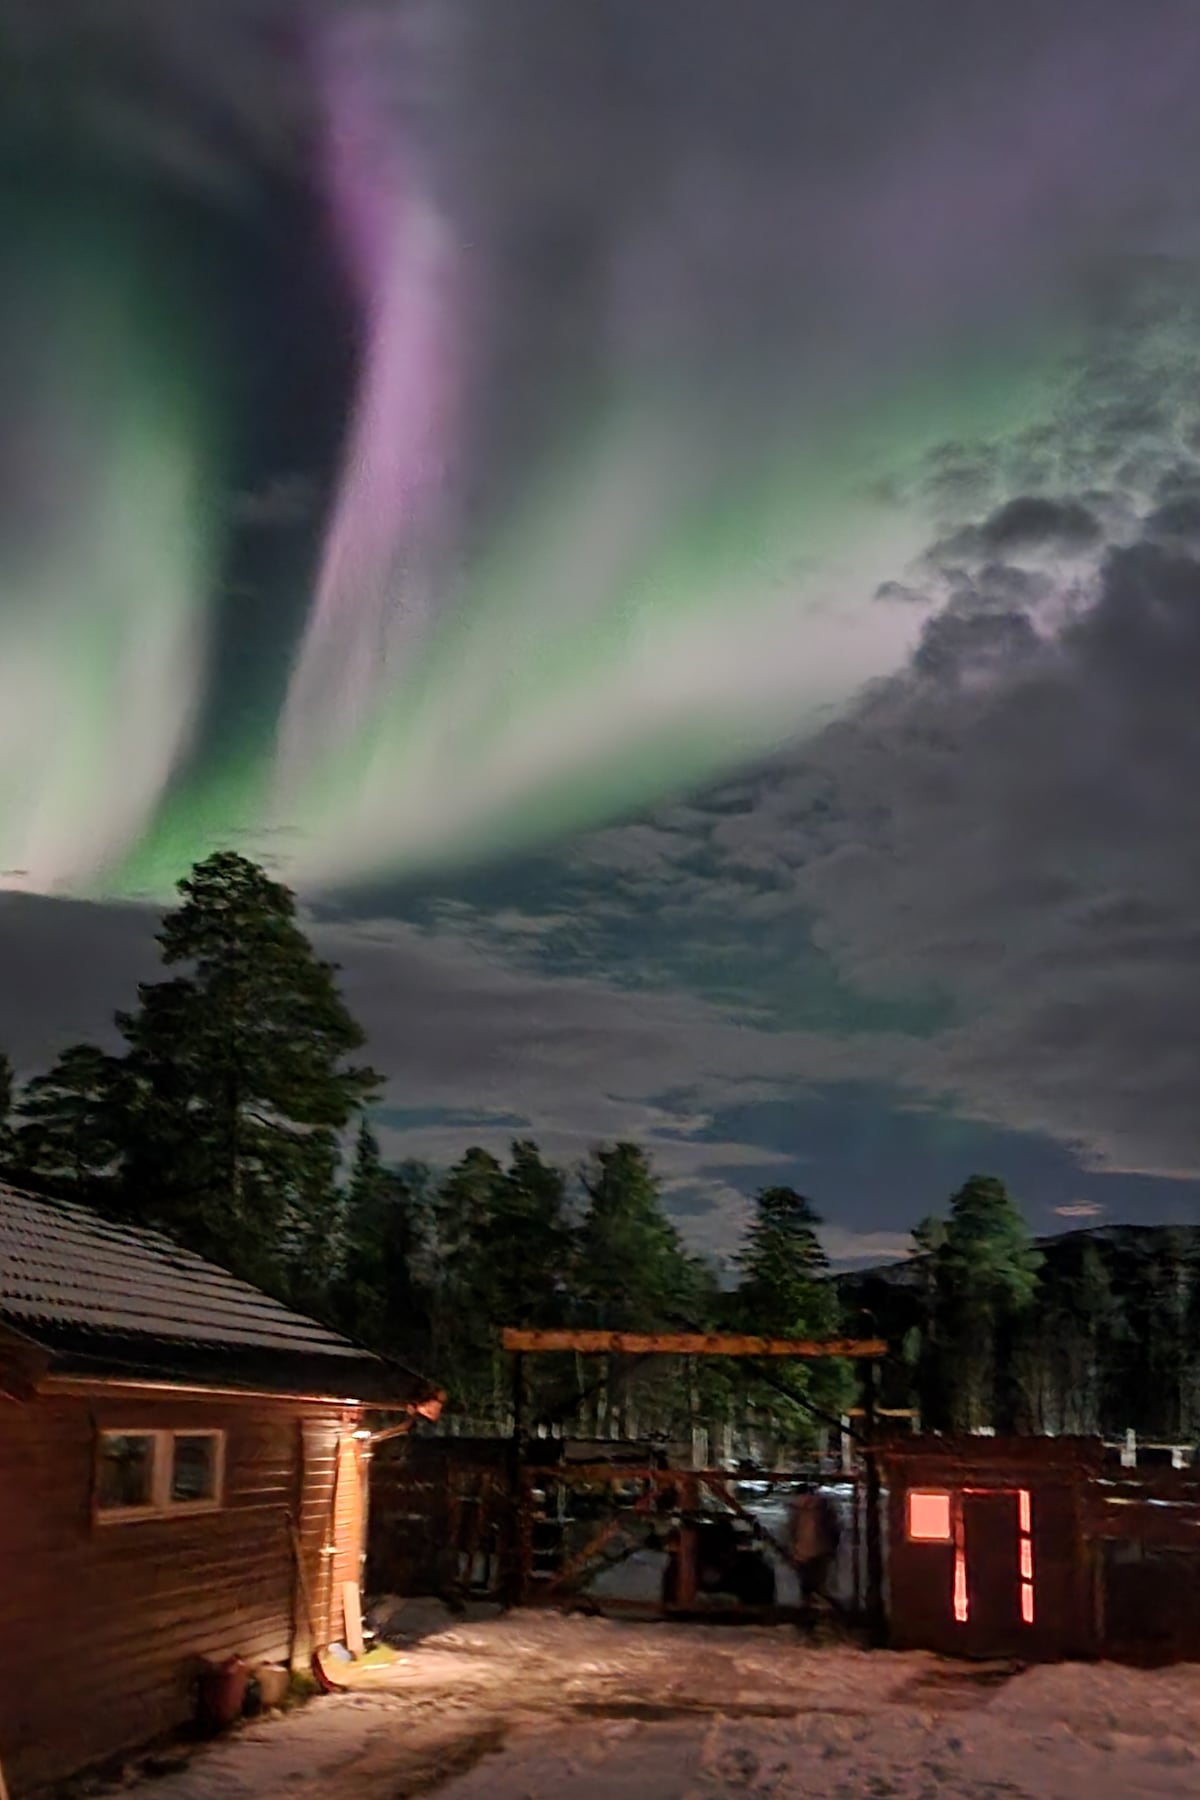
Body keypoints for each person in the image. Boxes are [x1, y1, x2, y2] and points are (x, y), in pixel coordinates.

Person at [789, 1481, 841, 1607]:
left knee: (806, 1587)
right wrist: (833, 1547)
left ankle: (807, 1613)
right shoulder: (824, 1506)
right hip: (822, 1550)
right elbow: (834, 1528)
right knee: (820, 1585)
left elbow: (792, 1530)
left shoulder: (795, 1508)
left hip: (801, 1552)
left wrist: (792, 1550)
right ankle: (823, 1611)